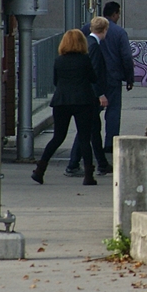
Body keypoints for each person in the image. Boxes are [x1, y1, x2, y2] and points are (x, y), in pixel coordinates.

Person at [32, 30, 104, 186]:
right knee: (85, 138)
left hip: (61, 101)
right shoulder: (85, 60)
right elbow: (93, 78)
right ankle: (88, 176)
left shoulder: (59, 60)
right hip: (83, 101)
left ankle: (40, 170)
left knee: (58, 137)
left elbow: (56, 81)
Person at [64, 17, 112, 177]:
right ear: (104, 29)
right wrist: (100, 94)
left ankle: (101, 164)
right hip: (90, 96)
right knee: (88, 130)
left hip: (88, 95)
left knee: (93, 130)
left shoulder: (90, 44)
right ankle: (75, 164)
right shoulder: (94, 47)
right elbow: (95, 73)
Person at [93, 2, 134, 156]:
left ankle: (91, 142)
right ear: (115, 14)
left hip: (95, 79)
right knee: (113, 112)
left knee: (92, 114)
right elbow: (126, 57)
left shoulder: (90, 29)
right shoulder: (119, 32)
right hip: (113, 78)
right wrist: (129, 78)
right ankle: (110, 144)